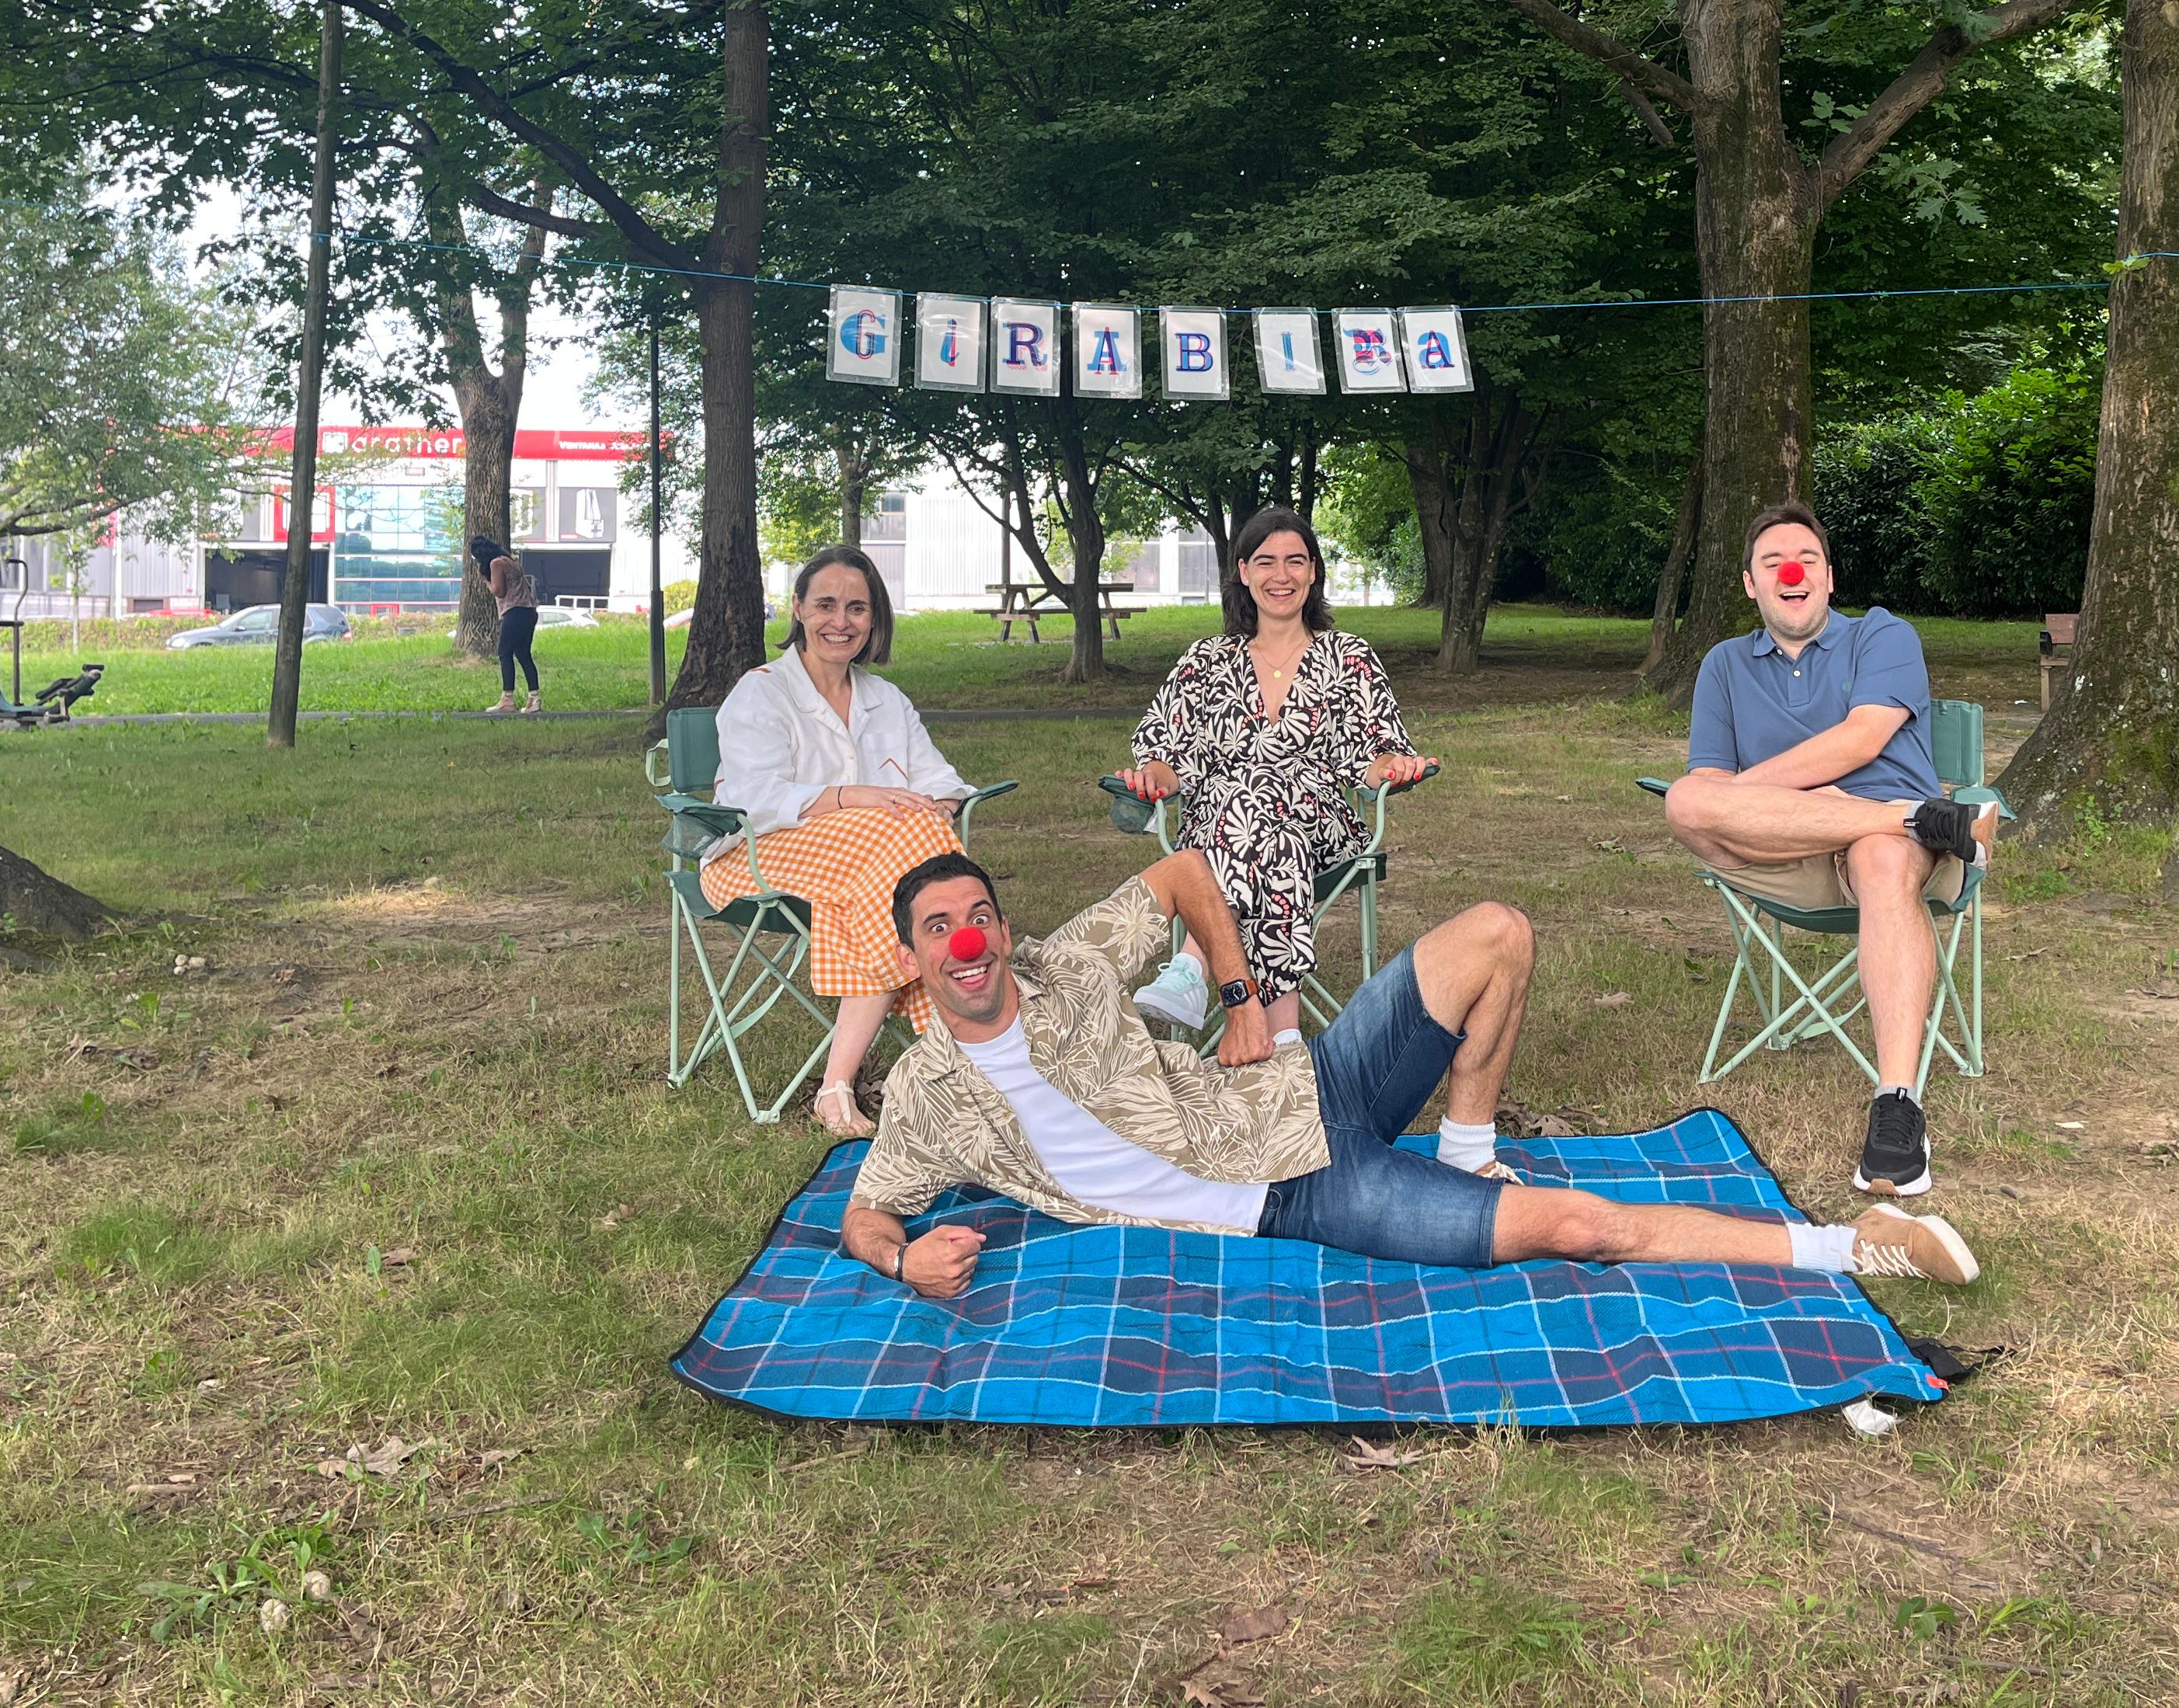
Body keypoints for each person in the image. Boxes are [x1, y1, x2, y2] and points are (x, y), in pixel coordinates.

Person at [840, 850, 1979, 1296]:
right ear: (914, 958)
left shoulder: (1068, 963)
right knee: (1580, 1226)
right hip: (1299, 1197)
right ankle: (1855, 1245)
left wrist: (1240, 1000)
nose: (971, 940)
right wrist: (905, 1266)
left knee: (1498, 926)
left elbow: (1186, 870)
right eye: (942, 928)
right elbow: (867, 1215)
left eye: (981, 914)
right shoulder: (932, 1096)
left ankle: (1468, 1147)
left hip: (1302, 1091)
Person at [1662, 504, 1996, 1200]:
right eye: (1774, 562)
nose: (1793, 570)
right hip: (1785, 858)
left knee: (1877, 856)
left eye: (1808, 559)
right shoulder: (1723, 665)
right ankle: (1916, 817)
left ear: (1829, 576)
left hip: (1883, 864)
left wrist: (1747, 802)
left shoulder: (1882, 634)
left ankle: (1898, 1104)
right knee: (1685, 800)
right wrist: (1785, 810)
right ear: (1751, 585)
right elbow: (1711, 791)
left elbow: (1862, 740)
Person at [1116, 507, 1432, 1038]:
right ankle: (1285, 1041)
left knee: (1256, 787)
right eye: (1265, 562)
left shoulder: (1347, 656)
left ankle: (1192, 969)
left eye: (1294, 562)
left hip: (1320, 828)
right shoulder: (1206, 660)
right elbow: (1168, 753)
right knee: (1265, 827)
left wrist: (1392, 767)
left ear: (1313, 571)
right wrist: (1156, 777)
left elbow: (1375, 754)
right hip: (1226, 833)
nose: (1280, 576)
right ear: (1243, 571)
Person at [704, 544, 976, 1139]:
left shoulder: (886, 699)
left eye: (858, 608)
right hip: (756, 855)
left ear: (874, 619)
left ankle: (837, 1088)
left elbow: (940, 782)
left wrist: (932, 807)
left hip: (876, 866)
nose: (841, 621)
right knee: (907, 862)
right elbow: (750, 797)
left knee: (900, 858)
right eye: (825, 604)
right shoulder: (763, 692)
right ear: (798, 608)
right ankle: (965, 1049)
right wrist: (854, 797)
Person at [469, 536, 541, 716]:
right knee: (523, 654)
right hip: (529, 610)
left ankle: (507, 698)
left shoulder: (495, 564)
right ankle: (534, 697)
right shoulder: (511, 562)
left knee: (504, 653)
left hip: (513, 611)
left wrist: (485, 581)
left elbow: (499, 591)